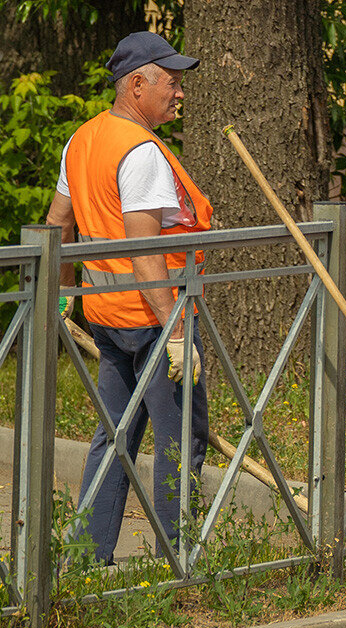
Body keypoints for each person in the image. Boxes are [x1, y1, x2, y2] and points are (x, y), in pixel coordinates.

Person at [46, 31, 211, 565]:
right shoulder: (141, 153)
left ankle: (89, 558)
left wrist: (65, 294)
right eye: (172, 81)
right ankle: (177, 559)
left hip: (108, 316)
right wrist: (177, 333)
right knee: (179, 438)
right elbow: (145, 250)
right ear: (138, 84)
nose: (179, 92)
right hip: (154, 319)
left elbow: (57, 225)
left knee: (113, 438)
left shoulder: (83, 140)